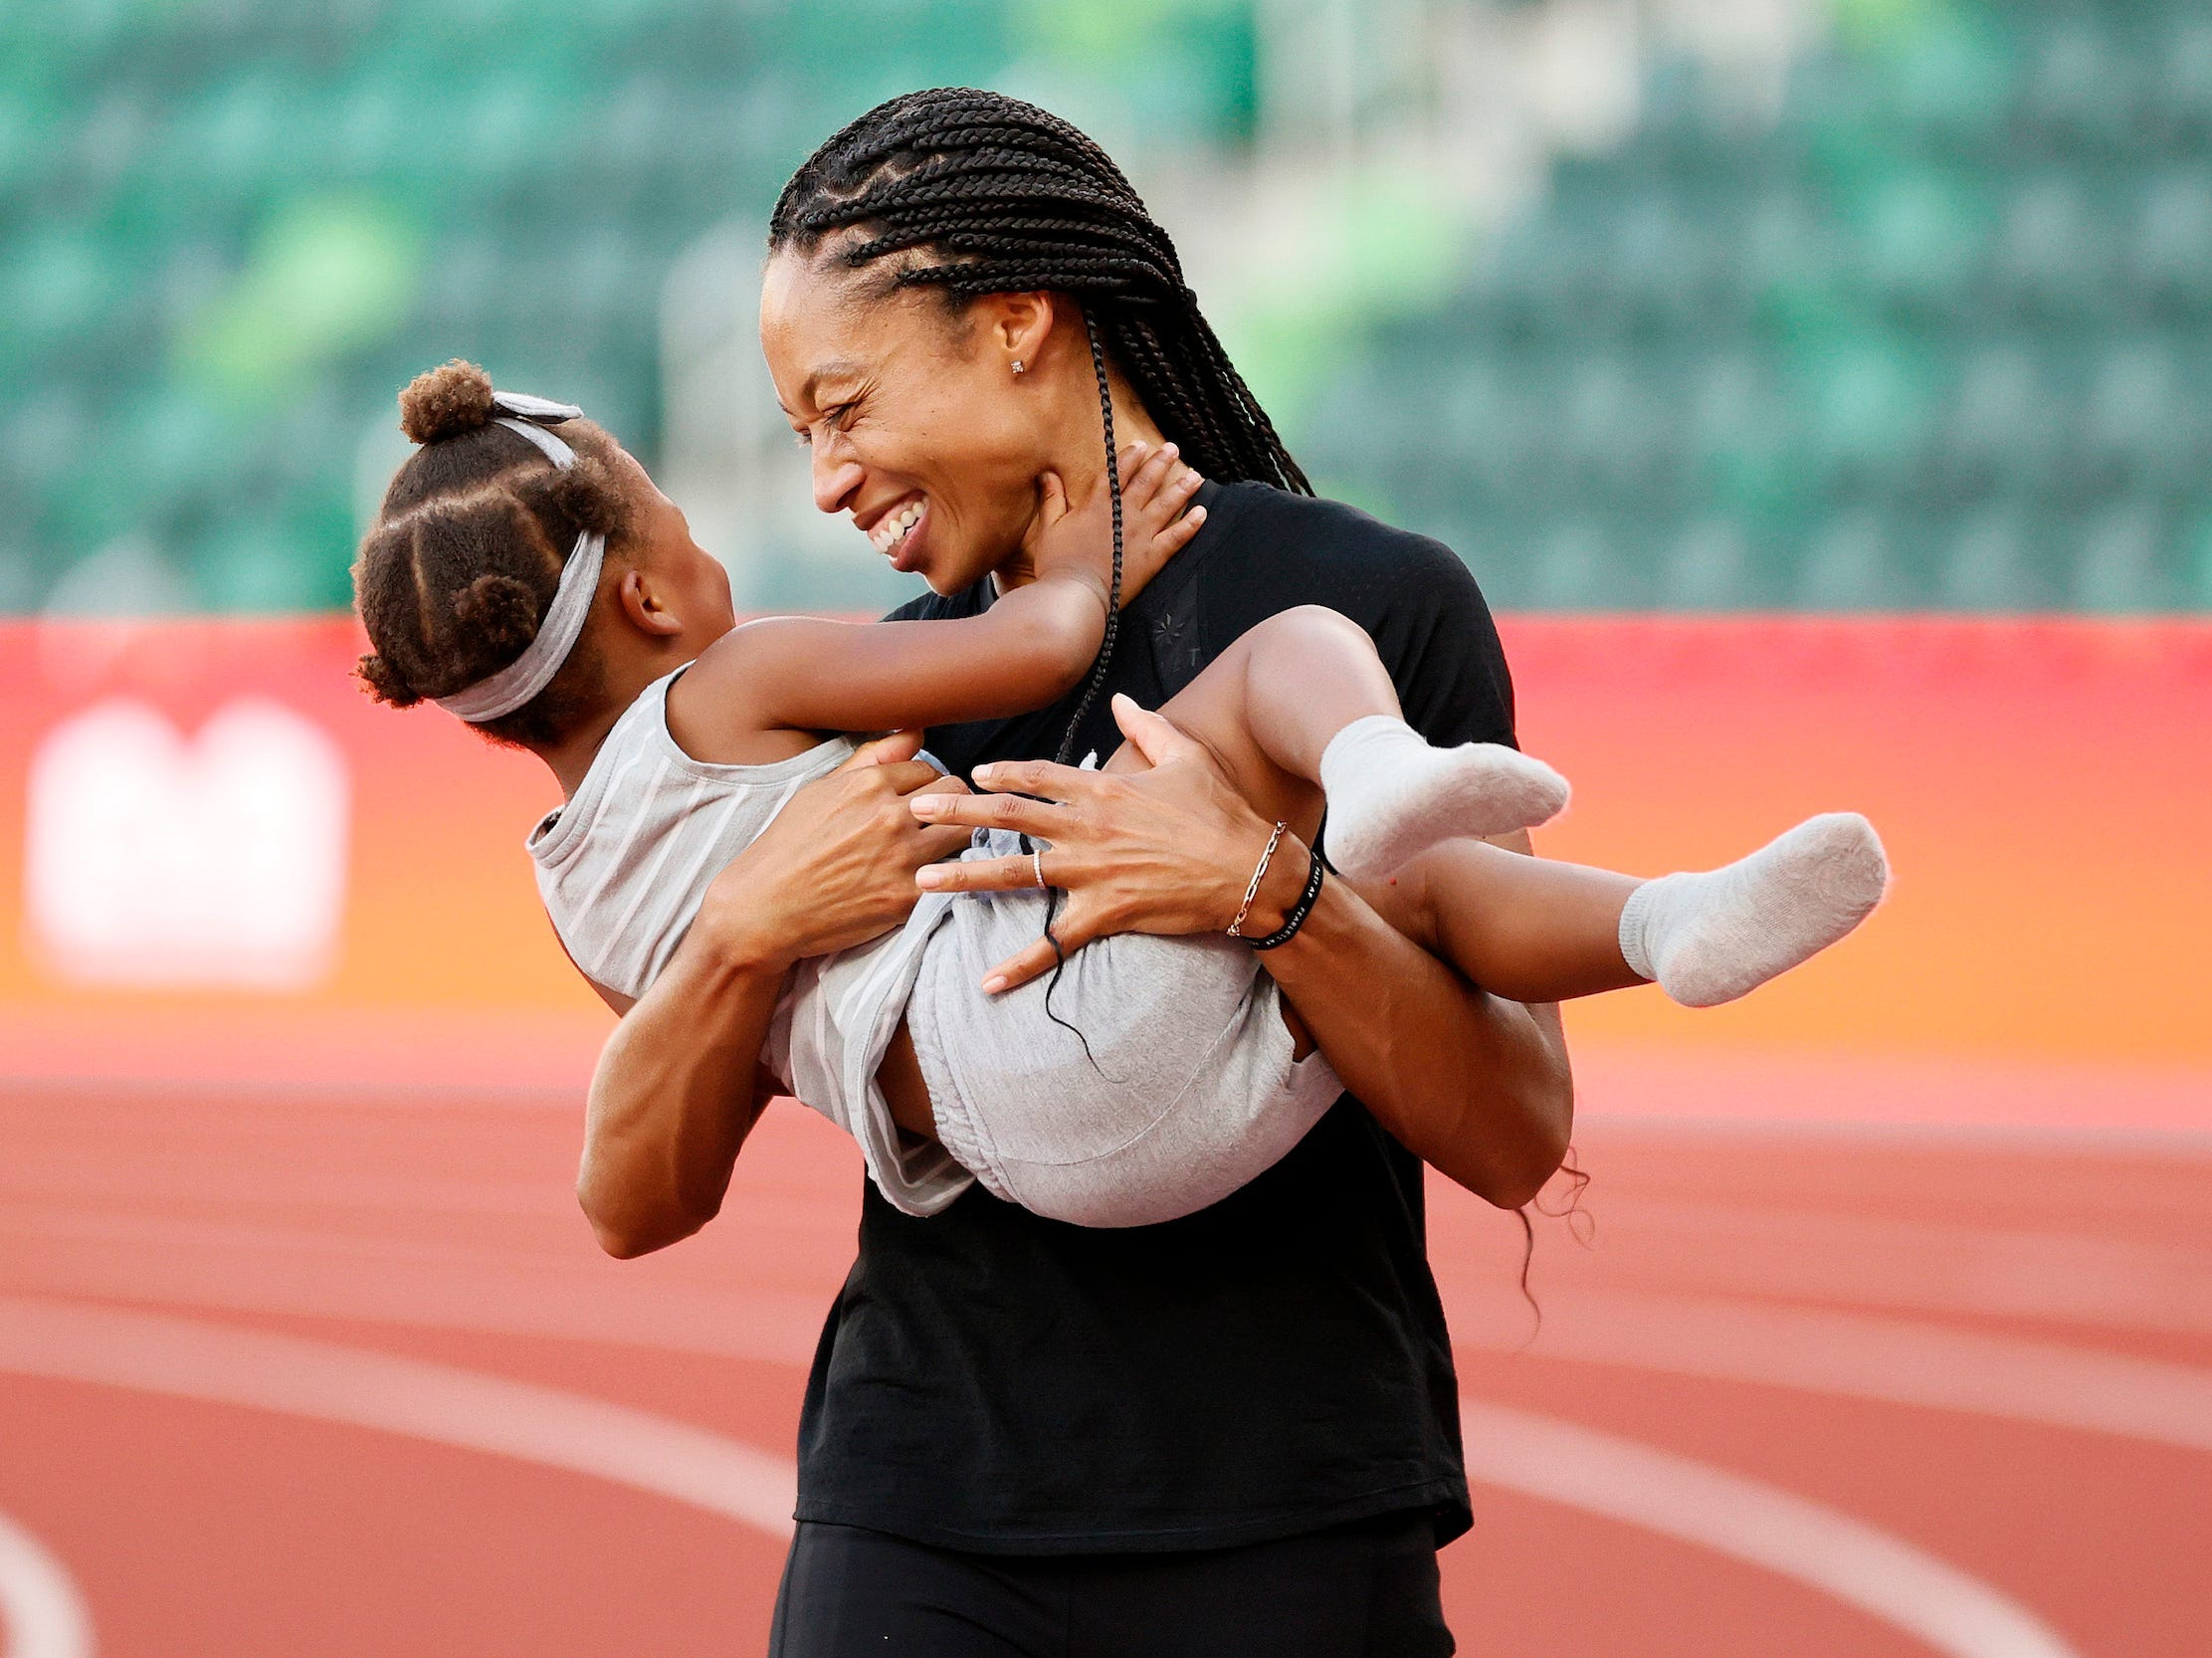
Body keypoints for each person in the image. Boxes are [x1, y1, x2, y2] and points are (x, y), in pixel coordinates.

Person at [532, 90, 1875, 1655]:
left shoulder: (1372, 606)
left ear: (1016, 323)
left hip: (1288, 1510)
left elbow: (1517, 1127)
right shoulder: (875, 695)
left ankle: (1661, 919)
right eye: (799, 436)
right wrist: (740, 938)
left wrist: (1268, 894)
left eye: (842, 405)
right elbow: (631, 1201)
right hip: (921, 1506)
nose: (825, 480)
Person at [351, 359, 1883, 1228]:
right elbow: (1047, 635)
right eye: (679, 513)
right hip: (1041, 994)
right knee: (1295, 672)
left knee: (1368, 883)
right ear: (647, 599)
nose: (807, 484)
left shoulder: (571, 882)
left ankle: (1671, 922)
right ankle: (1393, 770)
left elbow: (670, 1118)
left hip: (1030, 1154)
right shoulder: (729, 681)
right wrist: (1099, 553)